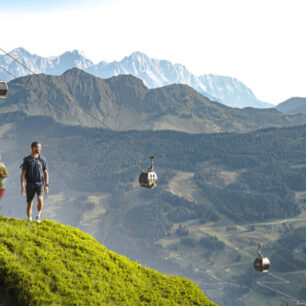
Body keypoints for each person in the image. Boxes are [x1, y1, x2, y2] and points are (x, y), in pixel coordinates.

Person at [20, 142, 49, 223]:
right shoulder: (27, 160)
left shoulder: (42, 159)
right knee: (29, 204)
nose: (40, 149)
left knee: (40, 199)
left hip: (40, 183)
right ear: (33, 148)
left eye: (40, 147)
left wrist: (46, 185)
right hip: (29, 184)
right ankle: (29, 220)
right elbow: (23, 174)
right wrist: (22, 187)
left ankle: (38, 215)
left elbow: (46, 172)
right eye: (38, 147)